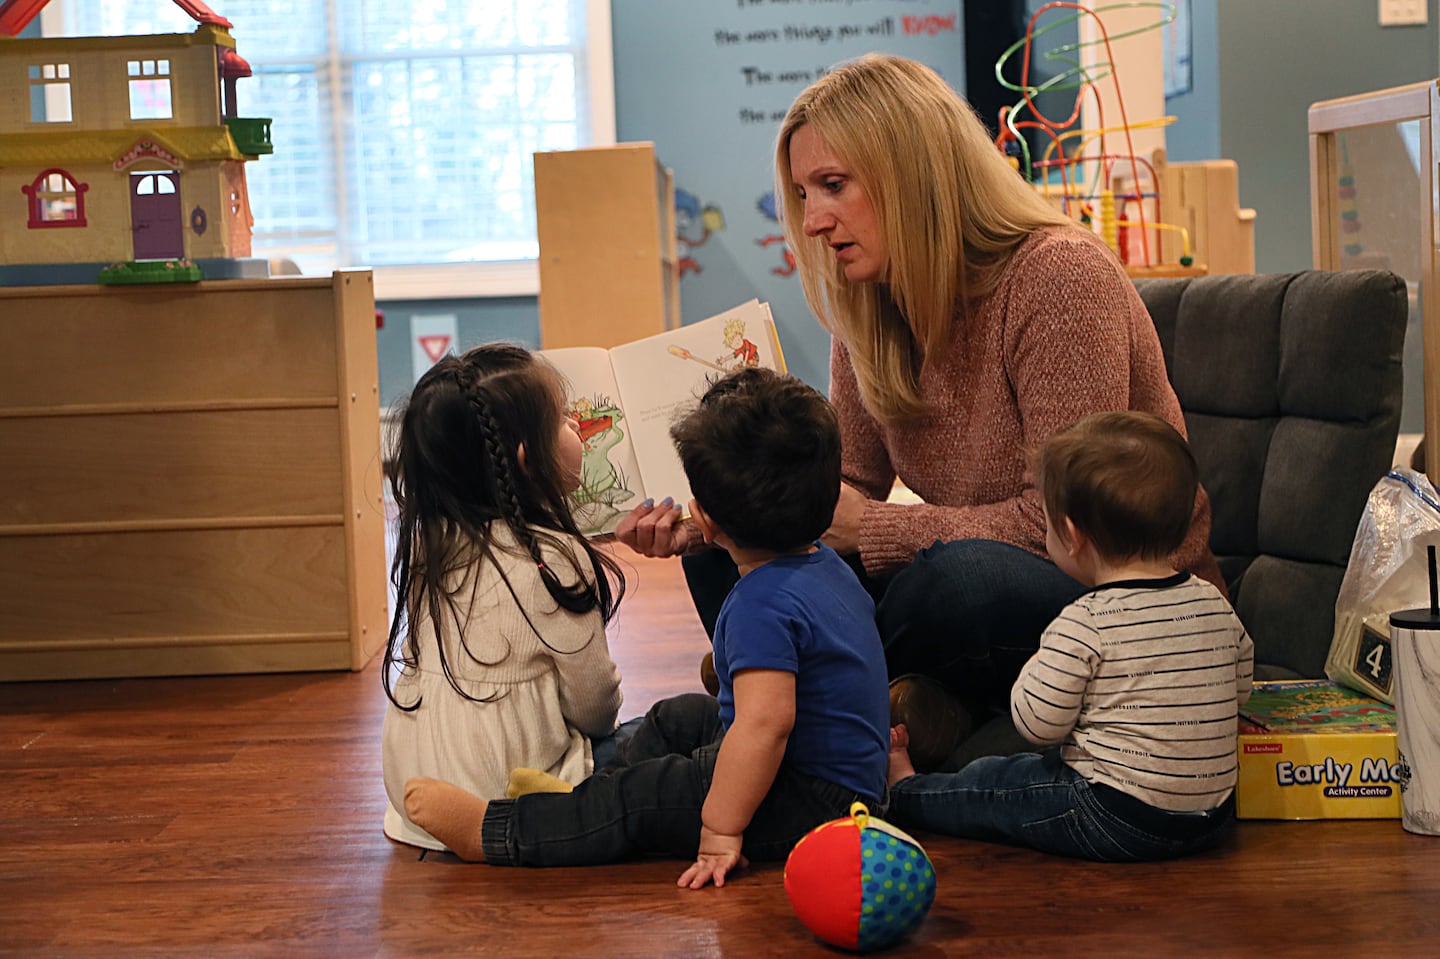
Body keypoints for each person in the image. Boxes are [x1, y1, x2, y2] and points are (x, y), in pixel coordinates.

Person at [616, 53, 1225, 765]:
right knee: (731, 548)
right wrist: (714, 521)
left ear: (912, 171)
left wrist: (868, 526)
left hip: (1108, 591)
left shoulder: (1057, 277)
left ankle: (791, 692)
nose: (813, 221)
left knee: (957, 578)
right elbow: (844, 490)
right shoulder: (870, 305)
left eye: (833, 186)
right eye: (804, 194)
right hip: (978, 600)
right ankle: (847, 697)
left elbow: (1069, 524)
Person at [401, 368, 891, 888]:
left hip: (811, 800)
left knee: (646, 798)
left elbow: (765, 726)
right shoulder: (828, 564)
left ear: (704, 520)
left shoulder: (760, 605)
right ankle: (578, 802)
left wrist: (721, 830)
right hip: (838, 775)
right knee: (679, 718)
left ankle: (496, 832)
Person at [886, 411, 1254, 862]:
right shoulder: (1213, 603)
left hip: (1115, 817)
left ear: (1073, 536)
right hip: (1210, 818)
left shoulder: (1084, 620)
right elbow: (1238, 693)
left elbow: (1037, 725)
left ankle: (906, 792)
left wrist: (1036, 671)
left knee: (1000, 786)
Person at [380, 343, 629, 851]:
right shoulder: (552, 557)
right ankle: (497, 833)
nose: (579, 429)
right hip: (515, 792)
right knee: (668, 742)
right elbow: (596, 708)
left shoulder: (432, 541)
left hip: (412, 791)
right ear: (527, 460)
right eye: (563, 421)